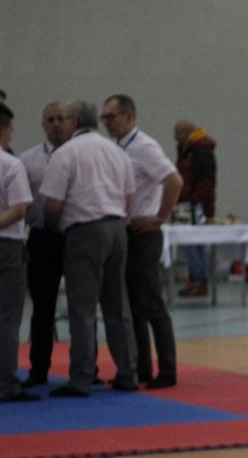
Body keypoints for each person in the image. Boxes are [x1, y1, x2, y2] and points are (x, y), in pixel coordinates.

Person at [39, 100, 138, 396]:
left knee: (82, 309)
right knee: (118, 306)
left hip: (85, 230)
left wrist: (55, 229)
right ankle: (128, 373)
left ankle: (81, 378)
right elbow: (129, 199)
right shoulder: (117, 151)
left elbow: (52, 204)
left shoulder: (66, 152)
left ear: (73, 121)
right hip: (117, 228)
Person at [102, 95, 183, 388]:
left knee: (151, 303)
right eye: (104, 118)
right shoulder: (119, 147)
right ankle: (142, 367)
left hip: (143, 233)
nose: (107, 123)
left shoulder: (144, 146)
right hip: (127, 231)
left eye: (111, 117)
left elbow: (174, 180)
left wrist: (160, 217)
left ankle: (168, 371)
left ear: (128, 115)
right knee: (133, 305)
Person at [18, 102, 69, 387]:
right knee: (42, 308)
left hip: (74, 236)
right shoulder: (27, 161)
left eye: (61, 118)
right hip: (41, 238)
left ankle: (87, 369)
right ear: (43, 124)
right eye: (51, 119)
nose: (56, 124)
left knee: (82, 307)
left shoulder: (80, 155)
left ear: (70, 122)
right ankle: (38, 370)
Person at [0, 102, 37, 402]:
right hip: (6, 246)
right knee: (7, 318)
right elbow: (19, 209)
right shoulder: (10, 164)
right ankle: (5, 383)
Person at [174, 119, 217, 297]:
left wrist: (192, 202)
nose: (174, 137)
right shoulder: (186, 150)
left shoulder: (200, 151)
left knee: (192, 243)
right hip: (187, 203)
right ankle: (197, 278)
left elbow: (206, 181)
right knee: (193, 244)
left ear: (186, 133)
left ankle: (199, 279)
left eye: (177, 133)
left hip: (196, 206)